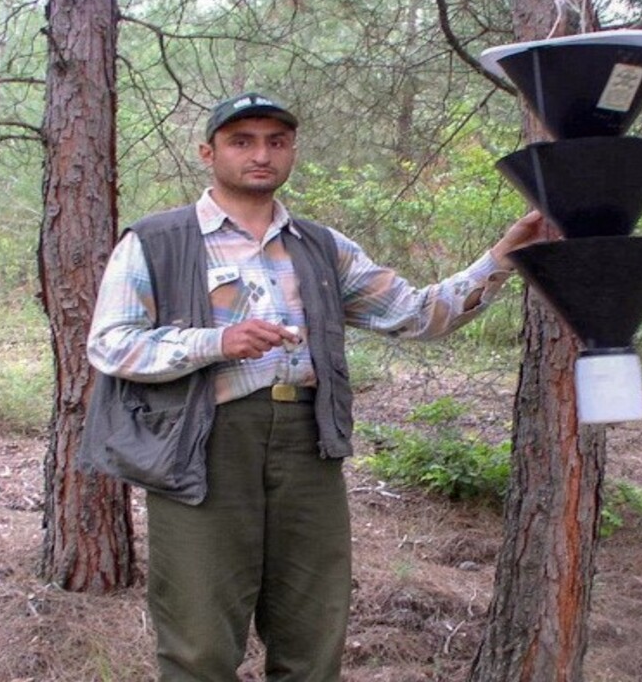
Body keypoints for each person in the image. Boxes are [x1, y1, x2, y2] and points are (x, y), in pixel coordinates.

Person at [83, 91, 544, 682]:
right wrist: (215, 343)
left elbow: (416, 313)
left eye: (276, 142)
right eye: (242, 141)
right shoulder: (156, 240)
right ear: (208, 153)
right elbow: (110, 344)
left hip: (309, 442)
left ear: (292, 151)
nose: (261, 155)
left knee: (313, 631)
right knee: (198, 641)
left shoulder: (322, 246)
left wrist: (500, 259)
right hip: (200, 447)